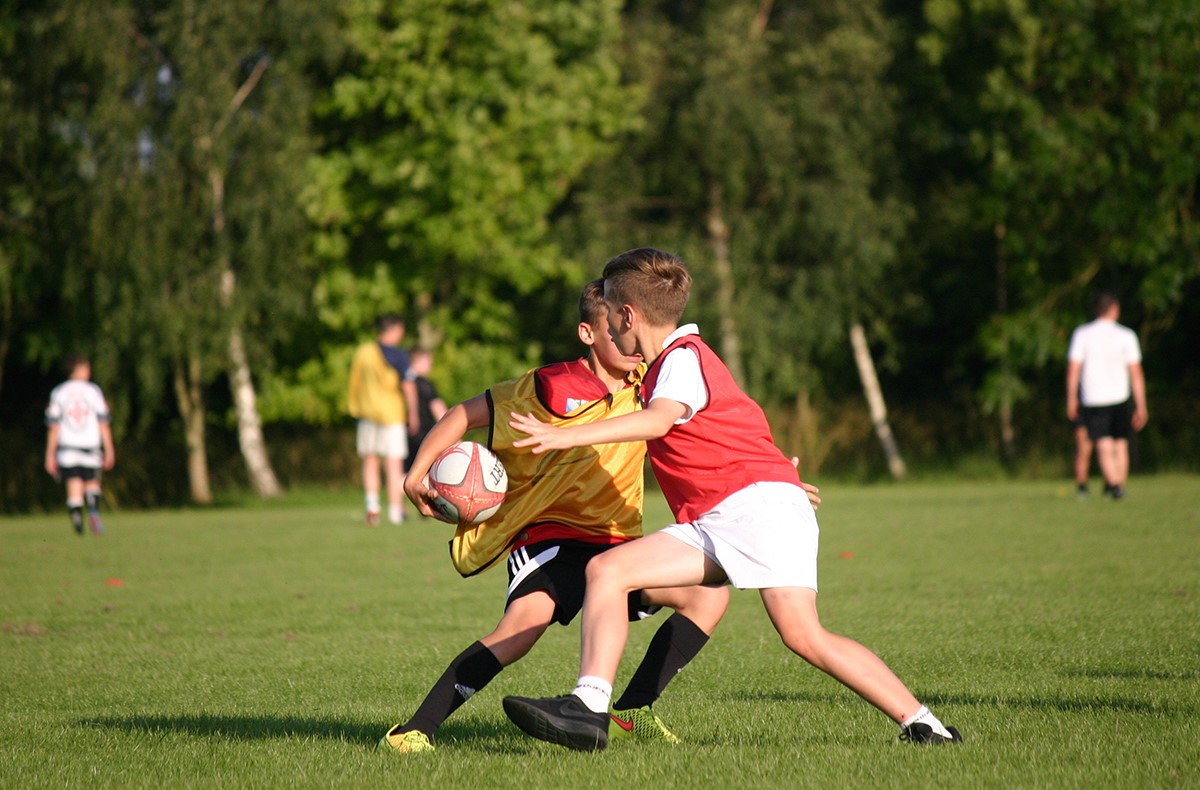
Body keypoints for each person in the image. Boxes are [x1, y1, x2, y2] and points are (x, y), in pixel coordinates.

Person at [501, 248, 960, 750]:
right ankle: (924, 724)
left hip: (745, 511)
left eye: (610, 311)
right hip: (754, 508)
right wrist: (779, 483)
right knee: (804, 636)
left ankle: (588, 708)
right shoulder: (685, 359)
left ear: (627, 315)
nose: (607, 323)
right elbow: (737, 427)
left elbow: (658, 421)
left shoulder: (679, 359)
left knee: (608, 571)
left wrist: (563, 436)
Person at [380, 280, 762, 754]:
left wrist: (773, 476)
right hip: (552, 536)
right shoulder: (551, 386)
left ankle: (632, 711)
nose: (629, 343)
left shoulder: (654, 384)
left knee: (708, 598)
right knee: (522, 629)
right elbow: (462, 414)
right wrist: (415, 473)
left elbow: (717, 427)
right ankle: (417, 729)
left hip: (620, 541)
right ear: (588, 333)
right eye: (615, 329)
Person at [1066, 292, 1148, 500]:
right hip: (1120, 396)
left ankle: (1114, 485)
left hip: (1094, 398)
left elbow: (1074, 370)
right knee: (1121, 444)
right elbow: (1136, 374)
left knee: (1103, 443)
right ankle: (1118, 485)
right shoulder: (1126, 335)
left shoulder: (1082, 334)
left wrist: (1071, 398)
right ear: (1114, 309)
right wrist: (1141, 405)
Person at [348, 313, 419, 525]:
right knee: (393, 463)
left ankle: (372, 506)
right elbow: (408, 385)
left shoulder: (363, 353)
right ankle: (396, 510)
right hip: (391, 415)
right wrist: (413, 413)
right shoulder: (398, 356)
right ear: (396, 329)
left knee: (370, 459)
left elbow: (355, 383)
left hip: (367, 413)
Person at [44, 354, 116, 535]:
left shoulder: (58, 392)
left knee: (73, 484)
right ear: (81, 368)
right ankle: (93, 510)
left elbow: (53, 427)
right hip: (90, 445)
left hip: (67, 447)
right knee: (92, 482)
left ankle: (77, 520)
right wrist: (109, 449)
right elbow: (103, 422)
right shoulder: (93, 391)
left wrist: (50, 454)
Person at [403, 348, 448, 473]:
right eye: (429, 363)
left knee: (406, 473)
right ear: (419, 362)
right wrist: (452, 431)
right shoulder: (425, 384)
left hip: (405, 433)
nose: (430, 367)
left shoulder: (401, 383)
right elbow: (438, 408)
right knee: (427, 473)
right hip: (424, 434)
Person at [1071, 411, 1093, 499]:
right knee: (1084, 450)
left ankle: (1112, 485)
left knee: (1105, 448)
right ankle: (1082, 486)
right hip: (1085, 411)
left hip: (1099, 409)